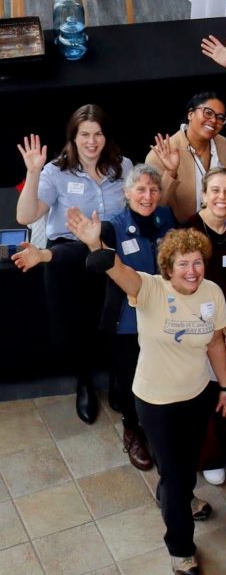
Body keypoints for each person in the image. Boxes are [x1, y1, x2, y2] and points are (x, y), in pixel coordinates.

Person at [65, 215, 226, 575]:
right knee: (174, 474)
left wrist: (225, 387)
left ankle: (180, 496)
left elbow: (216, 344)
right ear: (168, 268)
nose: (192, 271)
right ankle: (181, 549)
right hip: (156, 402)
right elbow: (117, 269)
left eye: (197, 263)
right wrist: (96, 244)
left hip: (197, 395)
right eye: (183, 264)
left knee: (184, 464)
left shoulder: (212, 292)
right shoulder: (148, 288)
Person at [14, 106, 133, 424]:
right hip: (66, 258)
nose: (92, 142)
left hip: (109, 254)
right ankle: (84, 383)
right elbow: (25, 216)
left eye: (98, 134)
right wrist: (33, 172)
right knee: (75, 326)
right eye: (85, 134)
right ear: (73, 137)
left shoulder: (124, 167)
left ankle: (117, 378)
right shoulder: (55, 172)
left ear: (106, 137)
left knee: (114, 320)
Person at [97, 164, 177, 473]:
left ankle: (160, 425)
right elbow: (85, 252)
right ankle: (132, 430)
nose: (148, 196)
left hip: (165, 314)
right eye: (141, 189)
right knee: (130, 378)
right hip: (127, 320)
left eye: (154, 189)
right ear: (127, 193)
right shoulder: (113, 226)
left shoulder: (166, 218)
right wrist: (46, 255)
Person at [181, 168, 226, 487]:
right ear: (204, 194)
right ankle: (211, 455)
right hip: (203, 325)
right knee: (209, 389)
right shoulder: (189, 228)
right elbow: (183, 281)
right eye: (215, 190)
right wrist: (216, 329)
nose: (222, 197)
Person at [146, 93, 226, 223]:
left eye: (220, 117)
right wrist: (171, 173)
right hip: (180, 232)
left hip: (221, 227)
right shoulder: (160, 154)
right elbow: (154, 208)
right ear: (190, 114)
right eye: (208, 113)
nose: (214, 120)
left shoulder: (223, 145)